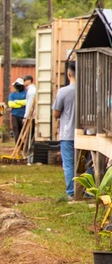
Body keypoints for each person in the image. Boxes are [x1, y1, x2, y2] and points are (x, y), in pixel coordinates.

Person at [53, 62, 77, 199]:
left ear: (68, 74)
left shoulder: (63, 91)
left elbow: (56, 114)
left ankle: (72, 192)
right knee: (86, 164)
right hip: (86, 132)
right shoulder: (88, 90)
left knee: (69, 164)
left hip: (67, 133)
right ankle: (88, 190)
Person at [7, 78, 27, 144]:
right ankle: (18, 146)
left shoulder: (26, 93)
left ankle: (24, 146)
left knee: (24, 132)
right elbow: (10, 104)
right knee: (16, 132)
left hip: (24, 116)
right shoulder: (12, 94)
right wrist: (21, 104)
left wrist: (17, 102)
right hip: (15, 115)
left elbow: (26, 102)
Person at [23, 74, 37, 161]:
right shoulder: (31, 90)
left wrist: (26, 116)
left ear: (29, 80)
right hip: (31, 115)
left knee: (29, 136)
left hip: (31, 116)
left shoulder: (31, 90)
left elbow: (29, 105)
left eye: (25, 80)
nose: (24, 82)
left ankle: (29, 154)